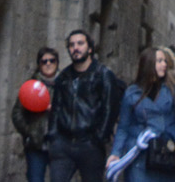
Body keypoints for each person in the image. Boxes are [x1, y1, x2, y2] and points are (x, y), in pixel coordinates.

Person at [110, 47, 175, 182]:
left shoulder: (173, 90)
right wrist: (116, 153)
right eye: (159, 61)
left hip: (166, 154)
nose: (164, 64)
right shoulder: (132, 92)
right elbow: (123, 127)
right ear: (148, 64)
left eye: (164, 61)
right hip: (139, 154)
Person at [48, 29, 125, 182]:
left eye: (80, 43)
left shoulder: (103, 75)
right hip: (63, 144)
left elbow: (110, 109)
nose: (75, 48)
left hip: (90, 144)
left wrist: (99, 137)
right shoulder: (63, 77)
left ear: (90, 49)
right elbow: (56, 108)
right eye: (71, 45)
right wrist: (53, 136)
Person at [13, 47, 62, 182]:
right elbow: (17, 113)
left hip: (60, 144)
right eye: (44, 61)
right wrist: (30, 132)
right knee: (35, 179)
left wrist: (57, 110)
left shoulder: (65, 84)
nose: (48, 64)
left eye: (52, 60)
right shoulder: (30, 86)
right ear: (39, 64)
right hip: (36, 145)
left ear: (57, 63)